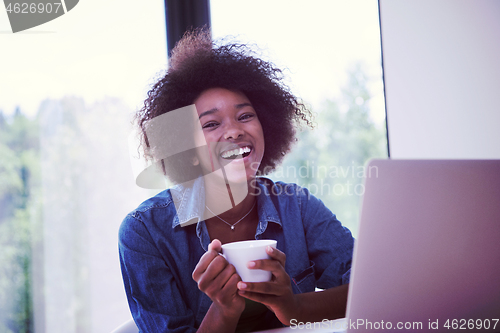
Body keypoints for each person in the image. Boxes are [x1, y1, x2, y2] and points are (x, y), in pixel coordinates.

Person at [119, 29, 354, 333]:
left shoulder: (299, 206)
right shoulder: (145, 231)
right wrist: (224, 309)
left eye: (245, 116)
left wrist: (293, 307)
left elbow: (373, 289)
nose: (233, 131)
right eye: (211, 124)